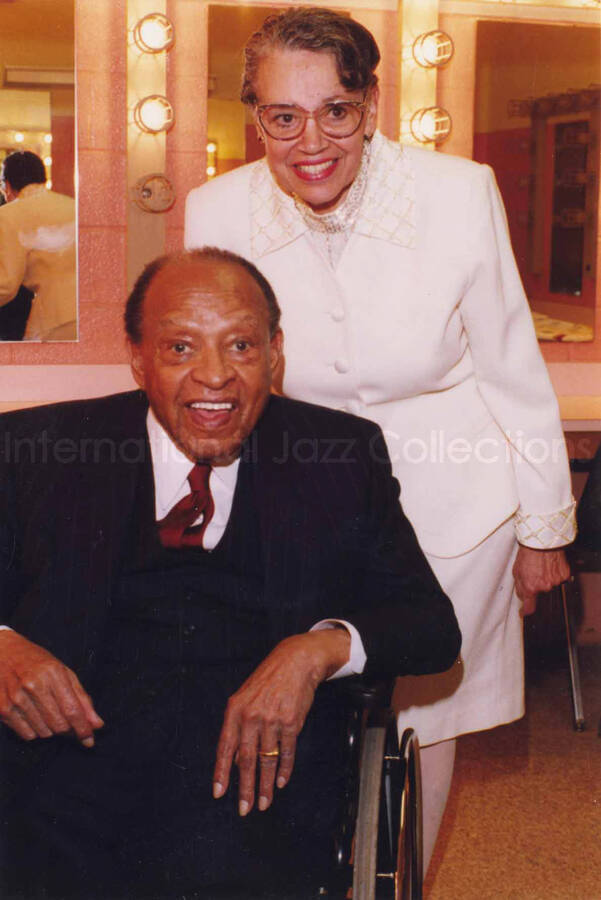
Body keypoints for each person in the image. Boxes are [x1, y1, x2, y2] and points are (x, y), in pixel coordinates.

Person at [184, 7, 576, 871]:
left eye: (336, 109)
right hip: (303, 498)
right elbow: (219, 378)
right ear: (255, 117)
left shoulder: (458, 191)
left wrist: (542, 530)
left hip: (456, 503)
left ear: (368, 103)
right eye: (282, 116)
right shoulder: (216, 208)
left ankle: (403, 884)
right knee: (300, 699)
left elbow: (511, 365)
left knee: (425, 721)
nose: (309, 139)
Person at [0, 247, 460, 899]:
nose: (213, 377)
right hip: (66, 770)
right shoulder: (37, 450)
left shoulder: (338, 454)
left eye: (239, 345)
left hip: (256, 783)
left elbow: (430, 628)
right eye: (181, 348)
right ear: (137, 356)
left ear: (273, 353)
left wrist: (313, 650)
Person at [0, 150, 76, 341]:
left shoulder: (9, 215)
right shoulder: (73, 206)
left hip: (54, 316)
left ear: (8, 185)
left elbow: (6, 285)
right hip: (88, 310)